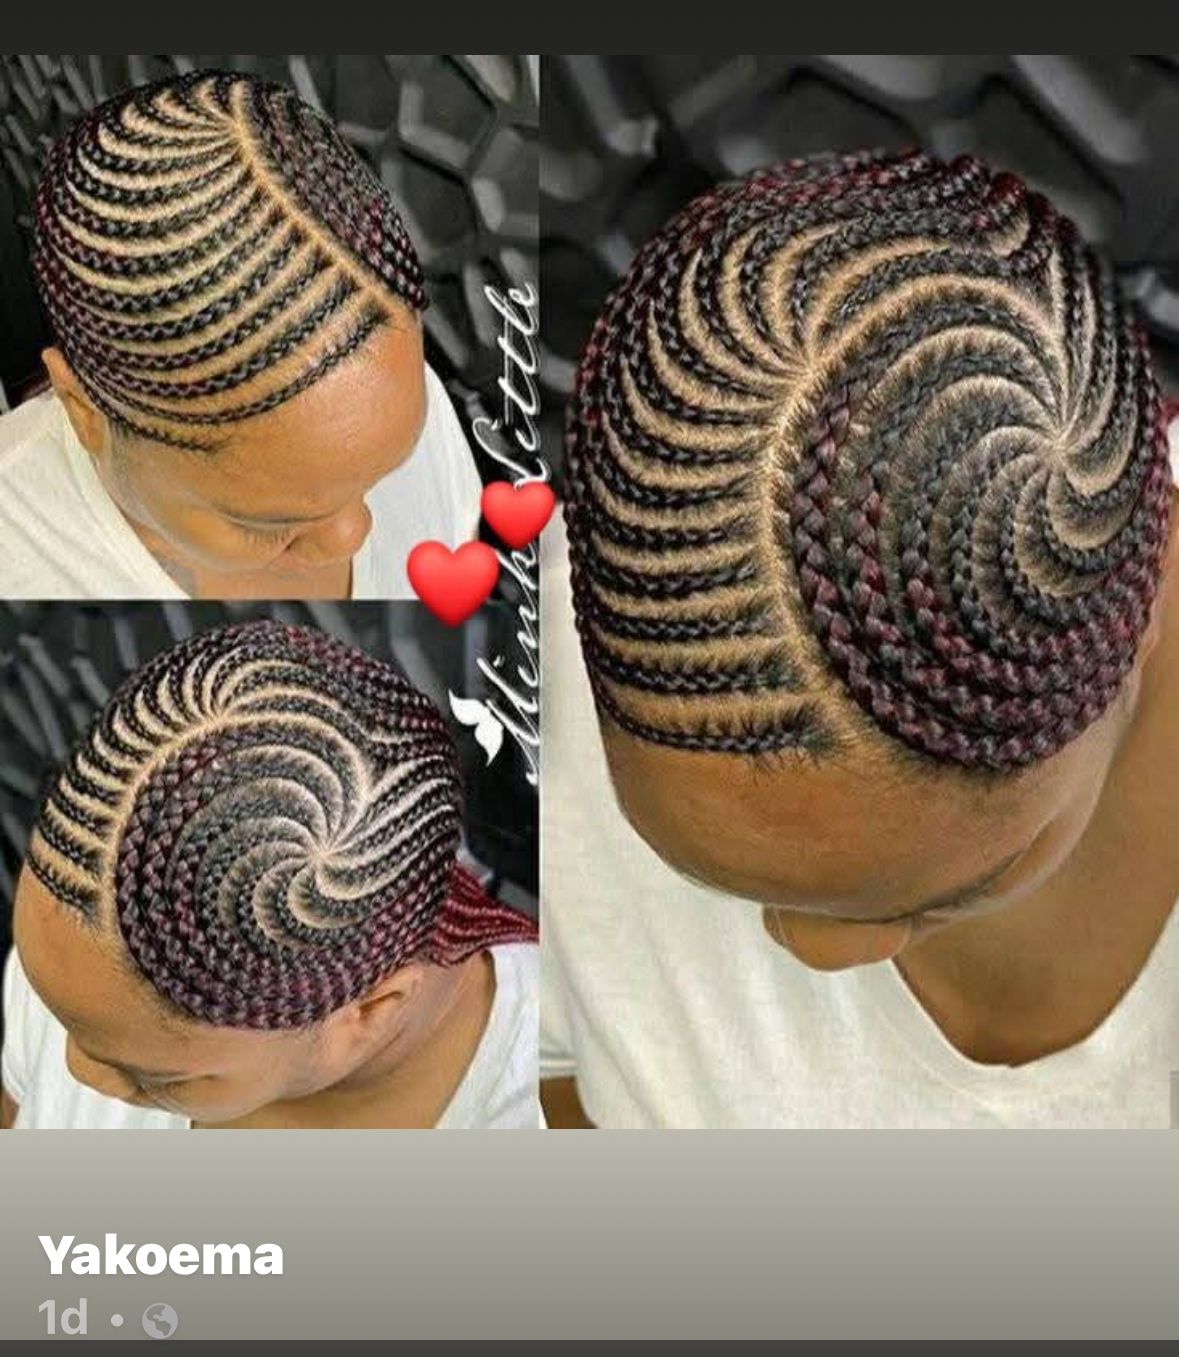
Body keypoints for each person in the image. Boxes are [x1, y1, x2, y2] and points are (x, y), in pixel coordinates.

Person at [540, 148, 1179, 1129]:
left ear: (1146, 604)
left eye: (948, 893)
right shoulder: (539, 676)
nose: (815, 951)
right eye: (699, 875)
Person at [1, 619, 538, 1129]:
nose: (75, 1069)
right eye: (56, 1014)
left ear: (373, 1009)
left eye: (157, 1080)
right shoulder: (83, 951)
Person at [0, 70, 481, 601]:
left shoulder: (411, 403)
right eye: (265, 526)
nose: (353, 536)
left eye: (388, 469)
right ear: (83, 410)